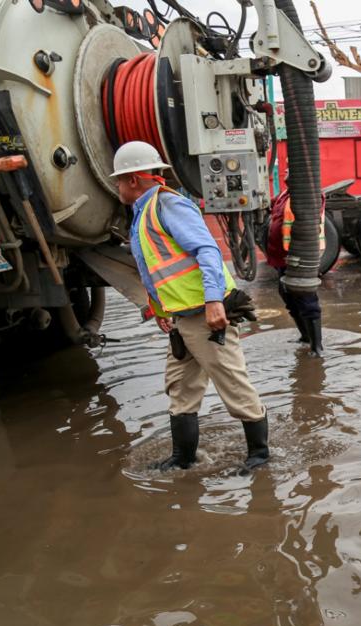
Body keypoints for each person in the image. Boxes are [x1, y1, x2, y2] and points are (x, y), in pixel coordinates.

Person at [111, 141, 269, 472]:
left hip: (205, 316)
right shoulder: (143, 212)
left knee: (232, 383)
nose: (117, 187)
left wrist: (213, 302)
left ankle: (260, 456)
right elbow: (156, 270)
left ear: (134, 180)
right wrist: (159, 310)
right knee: (181, 389)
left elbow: (207, 250)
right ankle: (183, 459)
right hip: (182, 319)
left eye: (119, 180)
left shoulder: (168, 205)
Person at [265, 171, 325, 356]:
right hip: (281, 257)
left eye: (290, 170)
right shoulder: (285, 194)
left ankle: (317, 347)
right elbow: (270, 206)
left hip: (299, 257)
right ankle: (305, 336)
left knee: (306, 298)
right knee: (287, 296)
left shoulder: (310, 196)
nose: (286, 172)